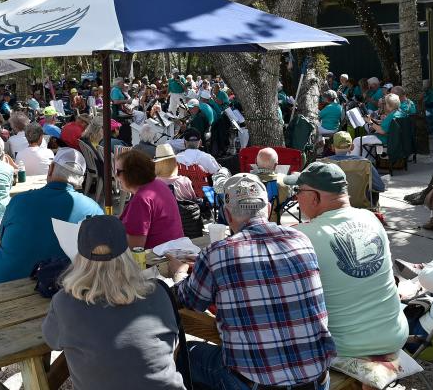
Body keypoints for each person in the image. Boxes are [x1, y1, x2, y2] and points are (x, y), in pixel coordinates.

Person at [169, 173, 335, 389]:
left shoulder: (217, 253)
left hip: (253, 384)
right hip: (317, 380)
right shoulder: (301, 240)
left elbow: (187, 300)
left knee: (184, 352)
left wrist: (179, 274)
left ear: (228, 215)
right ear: (267, 208)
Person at [41, 215, 185, 390]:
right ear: (126, 253)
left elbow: (52, 341)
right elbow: (172, 344)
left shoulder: (63, 303)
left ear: (80, 256)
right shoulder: (160, 292)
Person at [287, 162, 408, 359]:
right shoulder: (371, 219)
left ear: (313, 196)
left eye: (298, 191)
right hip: (394, 336)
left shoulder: (301, 237)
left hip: (344, 347)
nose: (296, 197)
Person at [0, 148, 102, 286]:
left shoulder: (19, 201)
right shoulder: (94, 210)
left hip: (5, 282)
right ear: (81, 180)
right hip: (62, 286)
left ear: (51, 169)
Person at [116, 149, 183, 249]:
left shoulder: (142, 199)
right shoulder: (158, 184)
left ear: (131, 173)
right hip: (175, 250)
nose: (116, 176)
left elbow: (135, 247)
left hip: (158, 258)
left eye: (118, 172)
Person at [351, 93, 405, 158]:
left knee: (357, 140)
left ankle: (353, 161)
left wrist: (370, 122)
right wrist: (374, 120)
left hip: (386, 139)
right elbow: (391, 124)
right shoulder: (400, 113)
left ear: (389, 105)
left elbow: (382, 131)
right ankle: (366, 160)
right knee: (365, 140)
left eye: (385, 103)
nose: (384, 105)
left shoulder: (391, 116)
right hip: (395, 139)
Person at [249, 147, 292, 214]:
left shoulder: (247, 181)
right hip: (273, 222)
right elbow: (291, 195)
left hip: (250, 222)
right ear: (275, 165)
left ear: (256, 162)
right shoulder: (283, 181)